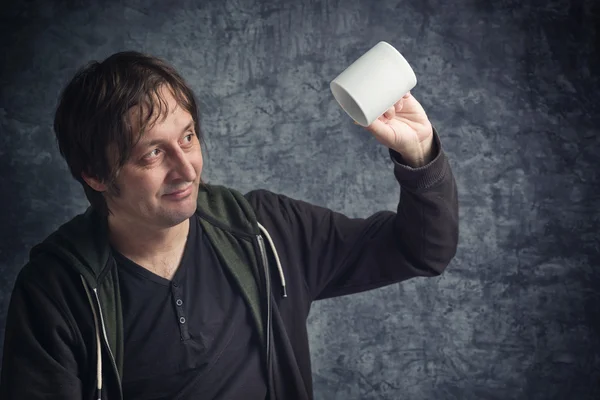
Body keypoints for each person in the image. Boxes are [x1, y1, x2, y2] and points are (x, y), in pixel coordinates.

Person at [0, 51, 458, 400]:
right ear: (96, 176)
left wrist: (418, 153)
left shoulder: (268, 231)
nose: (187, 168)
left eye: (188, 137)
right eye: (152, 153)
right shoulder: (55, 290)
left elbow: (421, 250)